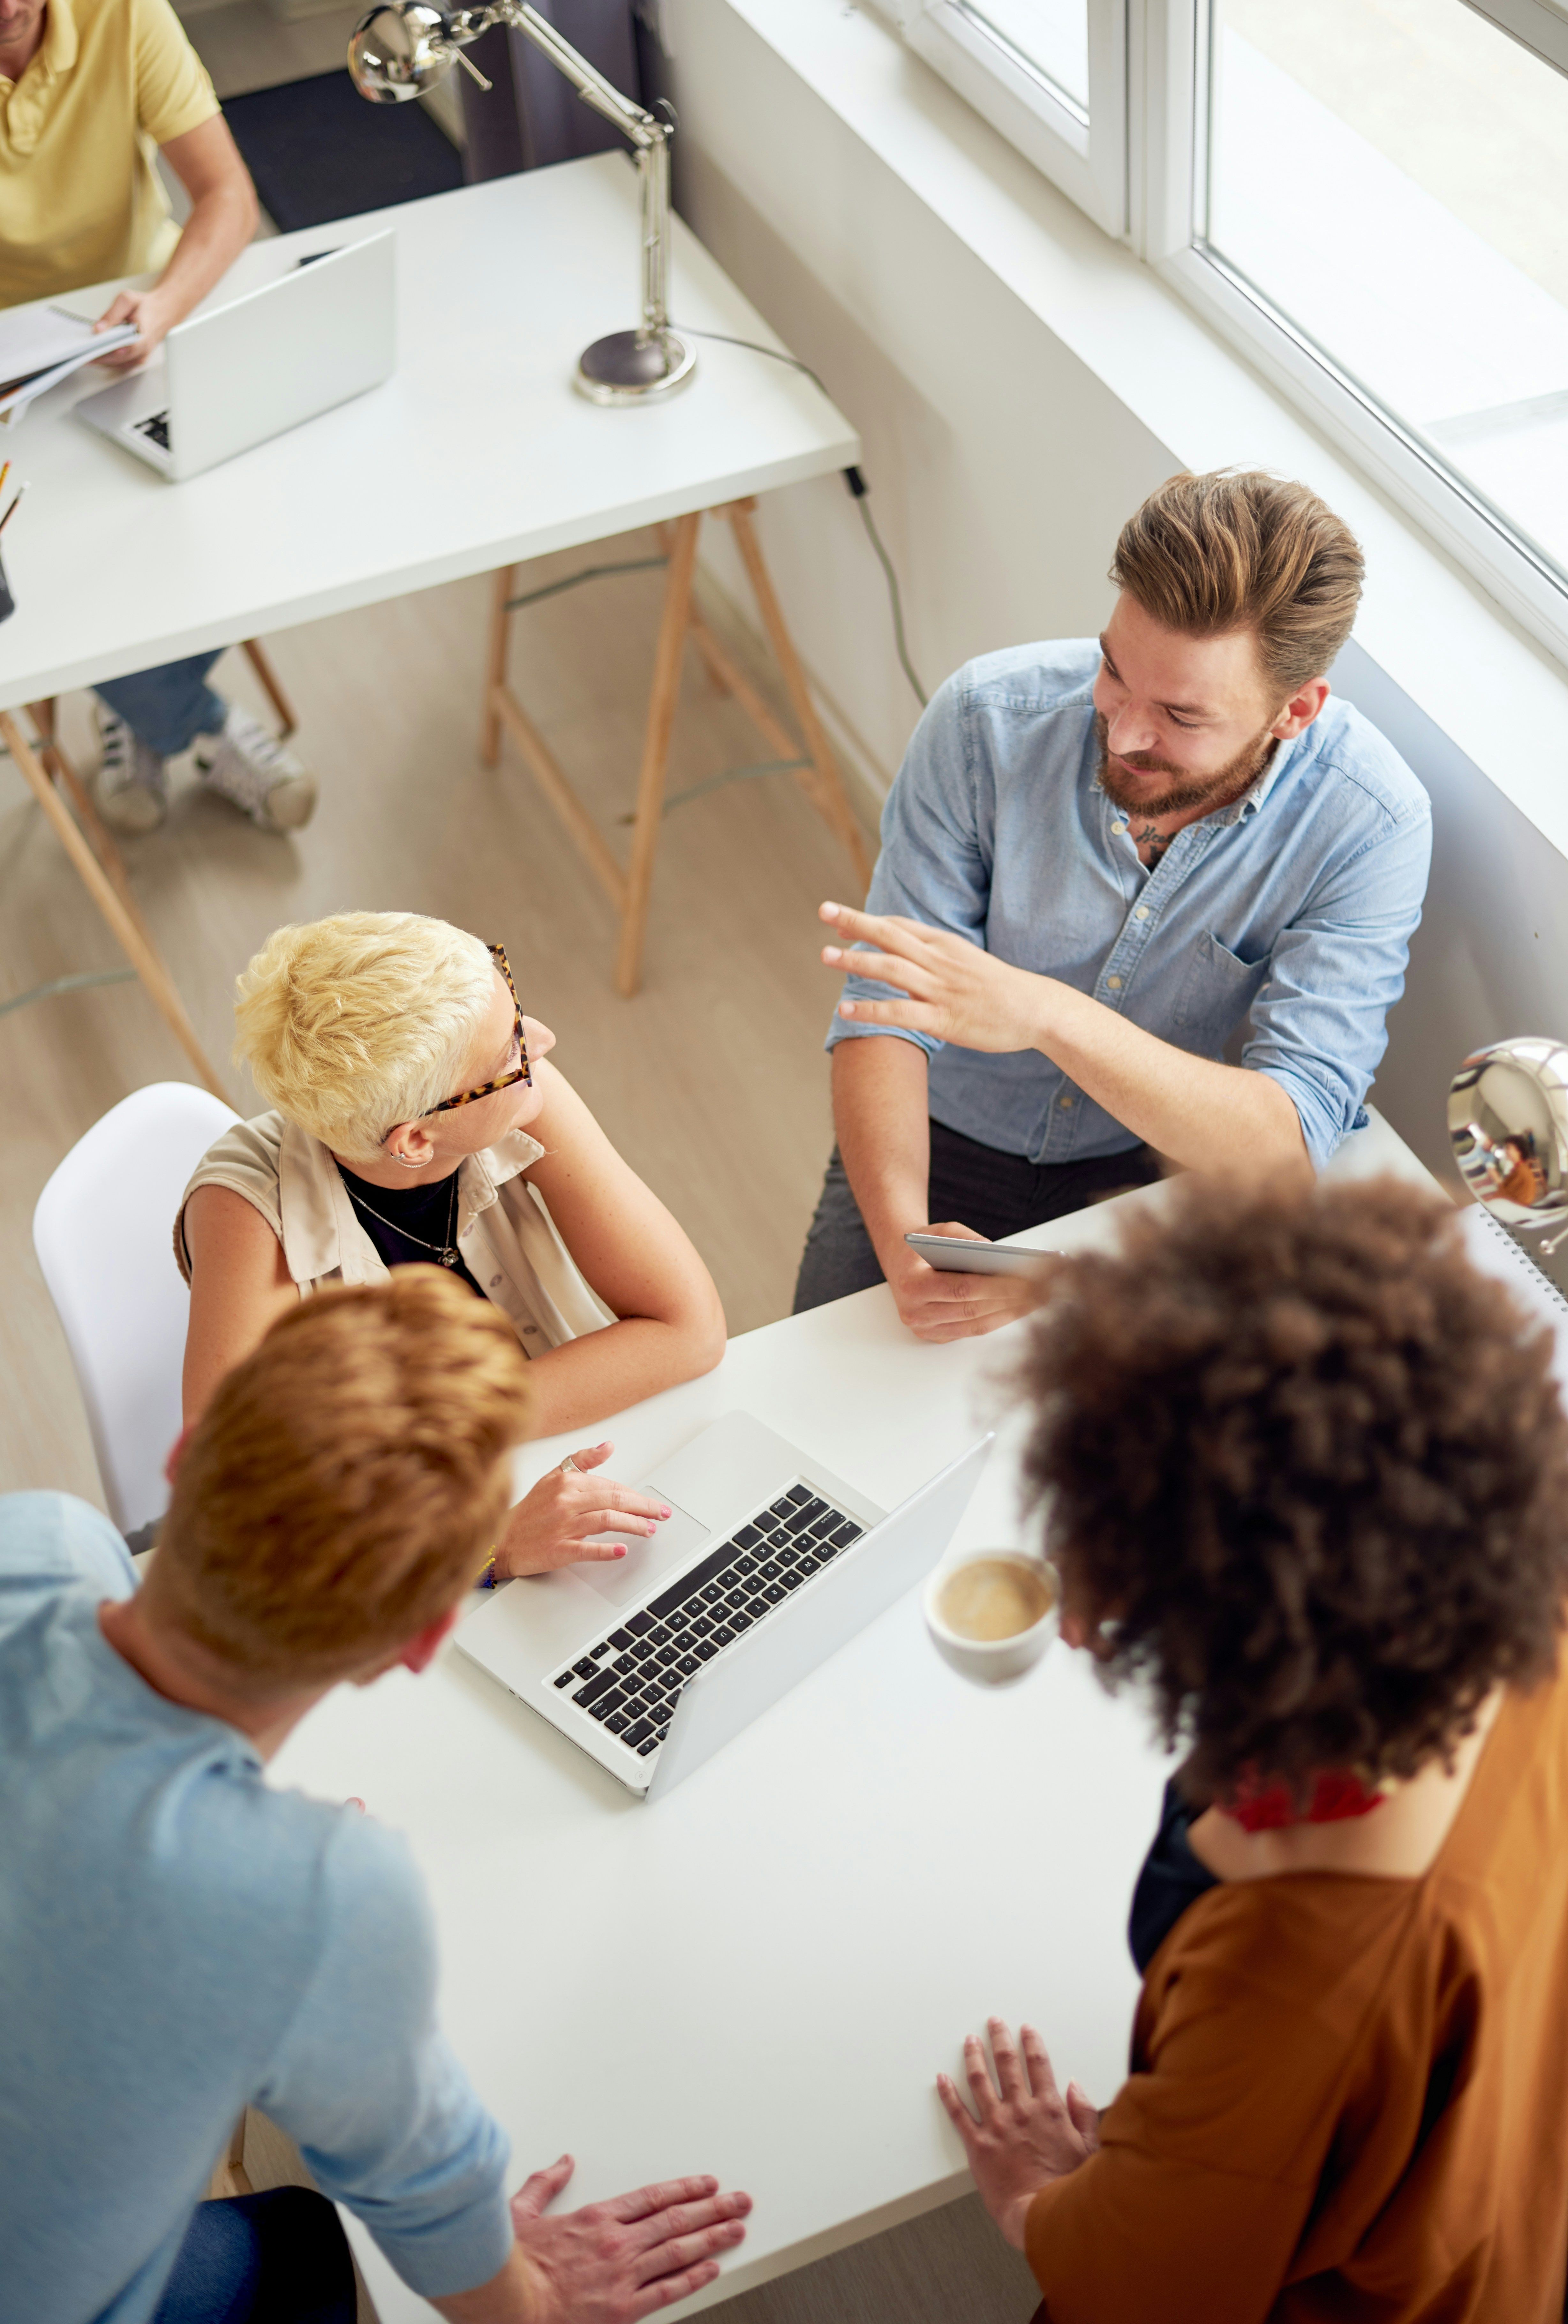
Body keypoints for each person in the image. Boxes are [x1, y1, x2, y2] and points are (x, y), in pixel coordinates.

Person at [0, 1269, 751, 2322]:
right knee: (310, 2249)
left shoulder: (37, 1543)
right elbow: (475, 2286)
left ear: (183, 1462)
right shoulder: (322, 1901)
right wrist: (535, 2294)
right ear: (424, 1635)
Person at [935, 1179, 1568, 2321]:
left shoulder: (1298, 1985)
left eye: (1114, 1576)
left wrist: (1040, 2200)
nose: (1076, 1619)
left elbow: (1141, 2286)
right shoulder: (1520, 1608)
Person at [796, 469, 1432, 1342]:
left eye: (1179, 714)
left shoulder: (1370, 821)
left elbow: (1286, 1146)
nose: (1124, 730)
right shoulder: (985, 722)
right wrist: (906, 1247)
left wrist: (1043, 1013)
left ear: (1295, 711)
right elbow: (884, 1019)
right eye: (1113, 669)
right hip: (937, 1136)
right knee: (825, 1411)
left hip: (1152, 1170)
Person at [178, 910, 727, 1577]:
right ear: (413, 1140)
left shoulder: (518, 1087)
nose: (543, 1041)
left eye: (516, 1009)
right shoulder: (246, 1212)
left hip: (575, 1470)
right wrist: (488, 1547)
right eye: (508, 1054)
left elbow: (691, 1330)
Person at [0, 0, 317, 833]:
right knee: (42, 565)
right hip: (6, 377)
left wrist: (165, 304)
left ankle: (140, 709)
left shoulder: (120, 0)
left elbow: (227, 195)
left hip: (131, 327)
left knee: (244, 509)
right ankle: (196, 723)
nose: (4, 4)